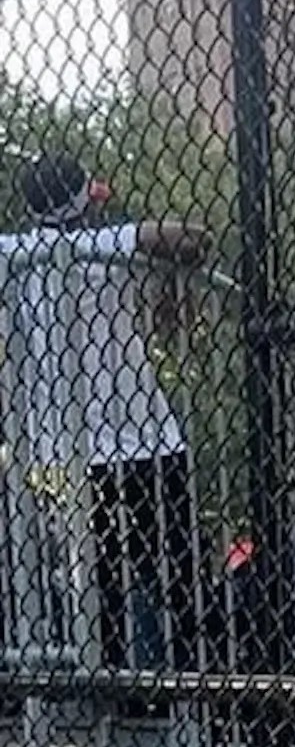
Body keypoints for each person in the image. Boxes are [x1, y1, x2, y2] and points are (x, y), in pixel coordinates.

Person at [0, 152, 208, 670]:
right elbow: (191, 237)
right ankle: (188, 678)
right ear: (82, 204)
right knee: (176, 567)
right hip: (144, 440)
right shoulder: (107, 244)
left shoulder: (16, 255)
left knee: (99, 577)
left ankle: (112, 678)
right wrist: (167, 276)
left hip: (64, 452)